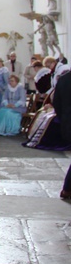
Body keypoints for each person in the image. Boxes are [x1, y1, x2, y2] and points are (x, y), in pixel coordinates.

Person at [52, 70, 71, 199]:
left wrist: (64, 119)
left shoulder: (64, 79)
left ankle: (67, 189)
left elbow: (56, 103)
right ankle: (67, 188)